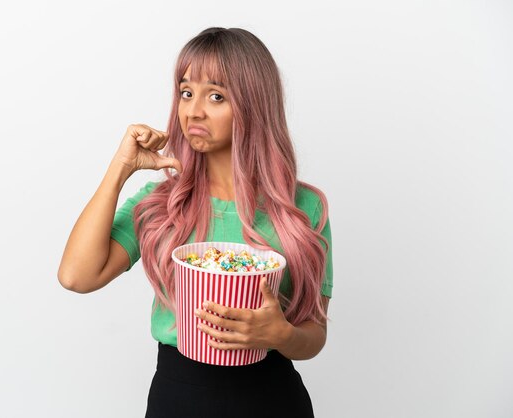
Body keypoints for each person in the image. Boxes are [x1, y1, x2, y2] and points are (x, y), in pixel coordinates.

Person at [57, 27, 333, 418]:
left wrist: (282, 335)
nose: (193, 111)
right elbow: (75, 277)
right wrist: (120, 170)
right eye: (186, 92)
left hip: (273, 398)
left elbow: (315, 335)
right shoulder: (161, 204)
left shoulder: (304, 208)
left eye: (216, 96)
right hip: (180, 398)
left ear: (253, 105)